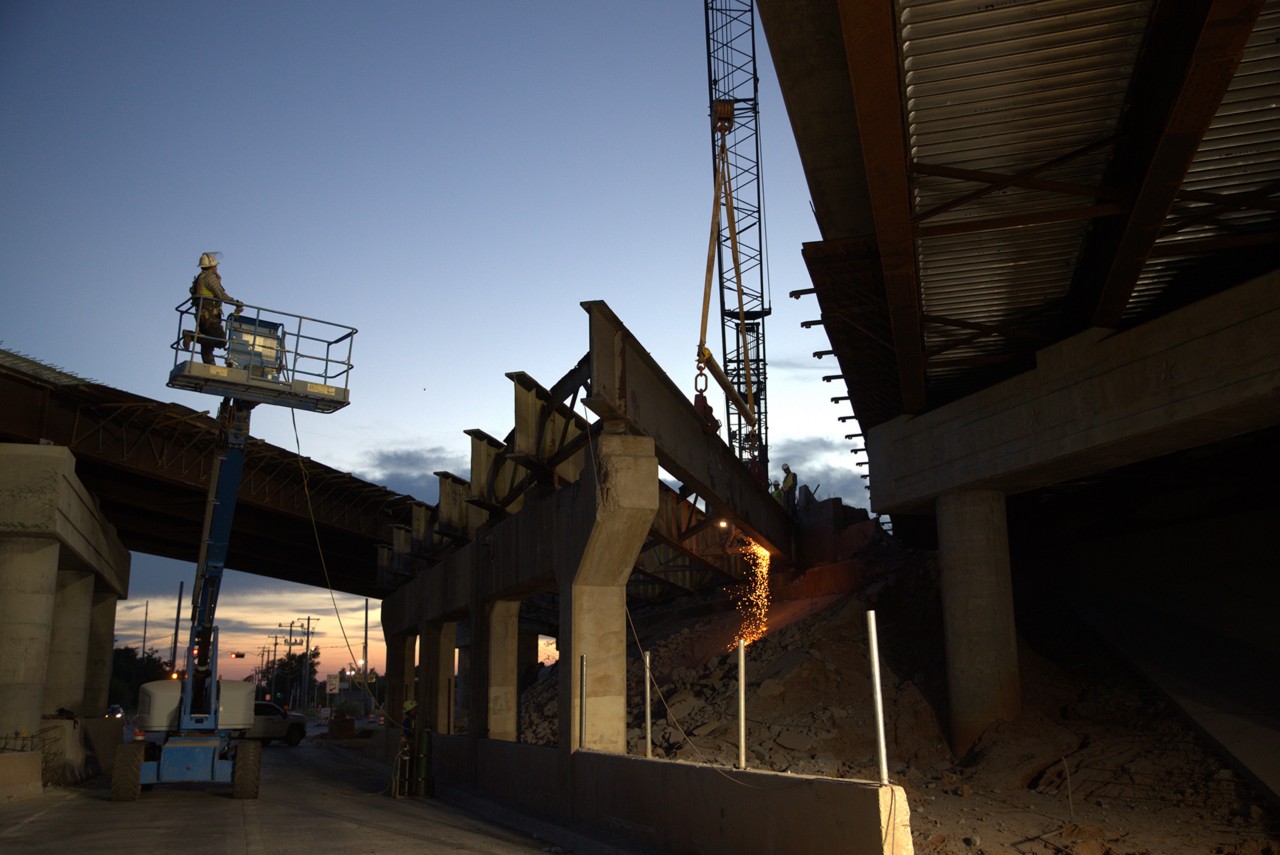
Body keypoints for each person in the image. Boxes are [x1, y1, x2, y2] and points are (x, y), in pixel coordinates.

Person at [190, 252, 243, 365]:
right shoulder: (209, 277)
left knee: (207, 344)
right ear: (212, 266)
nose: (217, 268)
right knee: (221, 341)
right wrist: (235, 303)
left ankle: (209, 366)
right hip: (210, 315)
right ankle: (190, 336)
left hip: (202, 315)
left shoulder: (201, 277)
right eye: (215, 266)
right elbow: (220, 294)